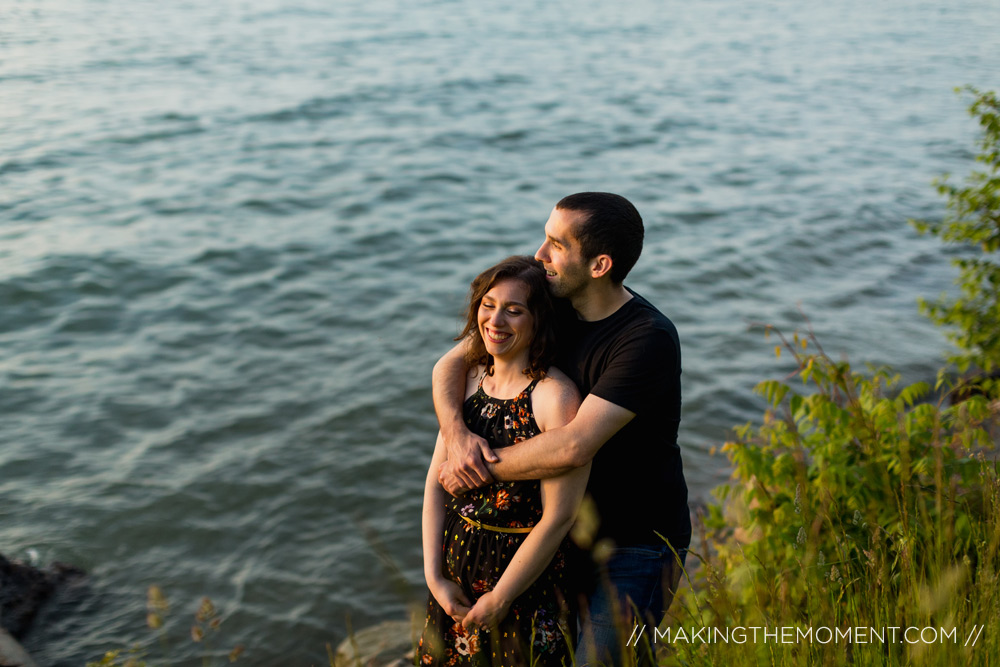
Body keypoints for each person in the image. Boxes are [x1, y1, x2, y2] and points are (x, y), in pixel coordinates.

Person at [433, 193, 691, 666]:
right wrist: (456, 435)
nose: (539, 254)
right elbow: (451, 364)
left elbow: (574, 445)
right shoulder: (555, 305)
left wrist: (476, 468)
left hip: (631, 545)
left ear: (599, 265)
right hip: (556, 533)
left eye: (555, 243)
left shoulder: (645, 339)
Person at [417, 256, 589, 666]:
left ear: (539, 320)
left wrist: (501, 597)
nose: (496, 320)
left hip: (523, 583)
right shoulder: (470, 378)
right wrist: (434, 577)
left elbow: (559, 517)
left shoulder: (554, 397)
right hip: (454, 573)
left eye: (514, 310)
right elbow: (434, 486)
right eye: (488, 304)